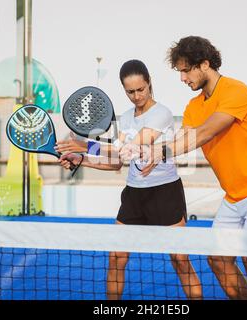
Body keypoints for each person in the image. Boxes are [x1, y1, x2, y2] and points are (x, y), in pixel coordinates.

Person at [120, 36, 247, 300]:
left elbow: (205, 132)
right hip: (234, 195)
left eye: (186, 70)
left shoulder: (236, 92)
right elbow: (182, 140)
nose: (182, 78)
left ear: (204, 64)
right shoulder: (193, 106)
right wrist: (152, 149)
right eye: (180, 72)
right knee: (217, 259)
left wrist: (162, 150)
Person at [55, 59, 202, 300]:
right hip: (134, 194)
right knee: (116, 257)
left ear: (149, 84)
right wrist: (81, 159)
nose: (136, 96)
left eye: (140, 89)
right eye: (130, 91)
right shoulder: (125, 118)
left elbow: (130, 147)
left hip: (165, 193)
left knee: (179, 259)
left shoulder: (162, 114)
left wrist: (85, 145)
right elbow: (116, 161)